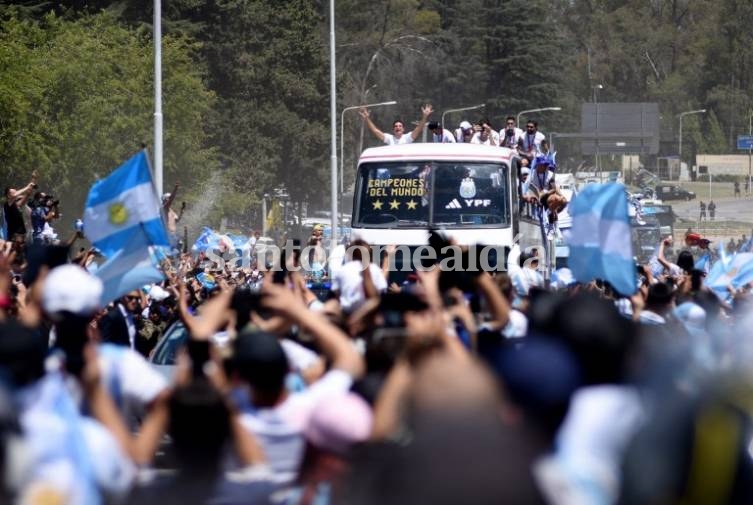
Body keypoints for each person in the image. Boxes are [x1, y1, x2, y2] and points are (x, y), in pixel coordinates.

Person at [98, 291, 149, 356]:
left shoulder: (131, 317)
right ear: (122, 298)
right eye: (130, 298)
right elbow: (104, 345)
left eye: (137, 298)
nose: (134, 301)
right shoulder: (112, 317)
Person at [359, 104, 433, 145]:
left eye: (400, 126)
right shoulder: (389, 138)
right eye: (396, 126)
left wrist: (425, 116)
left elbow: (419, 128)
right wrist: (367, 118)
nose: (398, 128)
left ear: (403, 129)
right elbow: (375, 131)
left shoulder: (407, 138)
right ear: (393, 129)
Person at [3, 170, 37, 241]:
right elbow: (15, 195)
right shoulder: (7, 204)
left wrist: (33, 179)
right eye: (12, 192)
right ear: (8, 195)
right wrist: (28, 186)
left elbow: (28, 193)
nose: (16, 193)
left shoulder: (17, 204)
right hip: (14, 235)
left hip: (21, 234)